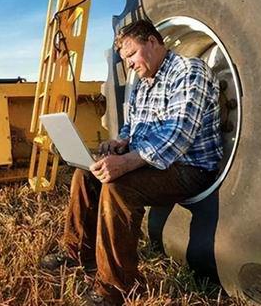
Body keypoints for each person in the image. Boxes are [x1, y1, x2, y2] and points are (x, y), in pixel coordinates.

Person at [40, 19, 223, 305]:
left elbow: (177, 136)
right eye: (124, 59)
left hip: (190, 167)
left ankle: (115, 288)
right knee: (85, 175)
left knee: (117, 187)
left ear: (152, 41)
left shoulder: (189, 72)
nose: (129, 65)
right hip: (156, 163)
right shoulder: (144, 82)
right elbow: (133, 127)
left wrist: (125, 163)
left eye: (131, 55)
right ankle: (77, 252)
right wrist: (120, 142)